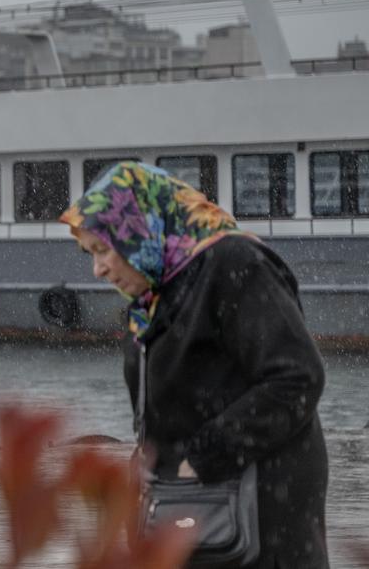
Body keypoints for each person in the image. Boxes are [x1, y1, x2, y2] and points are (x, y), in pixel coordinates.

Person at [60, 161, 328, 568]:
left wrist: (201, 458)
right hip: (191, 512)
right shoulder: (156, 295)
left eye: (101, 250)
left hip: (260, 513)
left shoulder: (233, 263)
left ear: (138, 230)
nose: (97, 270)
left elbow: (297, 378)